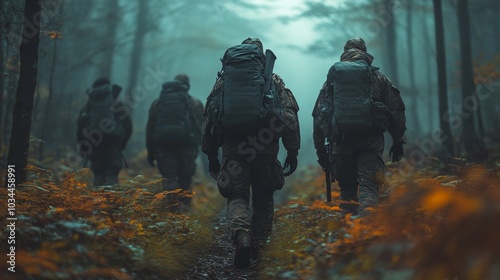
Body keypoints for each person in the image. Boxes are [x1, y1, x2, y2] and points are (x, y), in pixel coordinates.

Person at [202, 37, 301, 268]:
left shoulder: (224, 82)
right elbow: (289, 118)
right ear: (259, 56)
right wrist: (292, 151)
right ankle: (259, 247)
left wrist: (210, 154)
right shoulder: (273, 81)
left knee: (237, 196)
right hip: (265, 150)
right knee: (264, 198)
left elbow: (209, 118)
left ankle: (241, 235)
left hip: (234, 150)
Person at [312, 38, 406, 217]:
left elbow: (319, 116)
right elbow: (396, 110)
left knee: (347, 190)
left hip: (342, 142)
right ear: (365, 51)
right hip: (370, 142)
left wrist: (321, 153)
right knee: (369, 185)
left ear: (345, 52)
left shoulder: (333, 81)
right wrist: (398, 140)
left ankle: (347, 233)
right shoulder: (378, 77)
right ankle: (366, 229)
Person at [146, 74, 203, 207]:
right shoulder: (194, 103)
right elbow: (202, 127)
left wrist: (150, 152)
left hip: (164, 146)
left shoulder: (158, 102)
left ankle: (171, 212)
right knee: (185, 178)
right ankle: (184, 212)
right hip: (187, 146)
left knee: (169, 177)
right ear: (187, 86)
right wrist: (202, 146)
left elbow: (150, 129)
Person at [77, 77, 132, 186]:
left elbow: (80, 126)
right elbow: (128, 126)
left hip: (94, 144)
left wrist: (83, 145)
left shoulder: (89, 105)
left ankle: (98, 201)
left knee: (98, 174)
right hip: (112, 143)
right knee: (111, 174)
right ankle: (110, 200)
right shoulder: (116, 102)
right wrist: (122, 143)